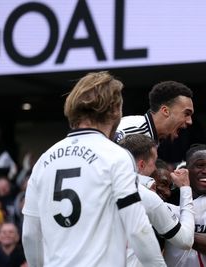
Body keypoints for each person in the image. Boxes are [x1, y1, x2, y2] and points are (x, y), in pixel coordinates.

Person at [21, 71, 166, 266]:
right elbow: (137, 228)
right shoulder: (116, 156)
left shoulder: (43, 161)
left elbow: (30, 235)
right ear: (115, 109)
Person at [118, 133, 195, 266]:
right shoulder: (146, 196)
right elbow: (185, 240)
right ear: (141, 165)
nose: (155, 168)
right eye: (154, 162)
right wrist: (185, 188)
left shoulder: (96, 187)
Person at [114, 80, 194, 144]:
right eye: (186, 113)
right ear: (166, 111)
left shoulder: (153, 137)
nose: (190, 121)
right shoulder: (126, 133)